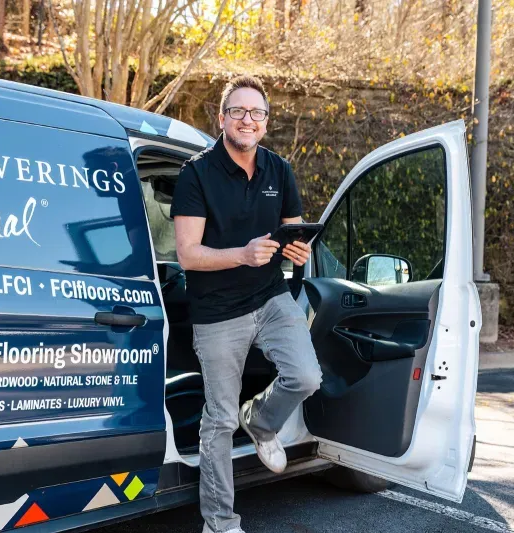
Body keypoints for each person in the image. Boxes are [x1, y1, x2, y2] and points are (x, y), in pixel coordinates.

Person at [170, 75, 323, 533]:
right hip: (217, 311)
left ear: (266, 122)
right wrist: (241, 253)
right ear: (222, 119)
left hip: (270, 296)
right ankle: (220, 522)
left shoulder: (280, 170)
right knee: (217, 418)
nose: (247, 119)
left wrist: (299, 249)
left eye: (256, 112)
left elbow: (293, 232)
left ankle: (259, 419)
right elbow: (187, 255)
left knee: (306, 376)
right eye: (237, 111)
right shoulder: (195, 174)